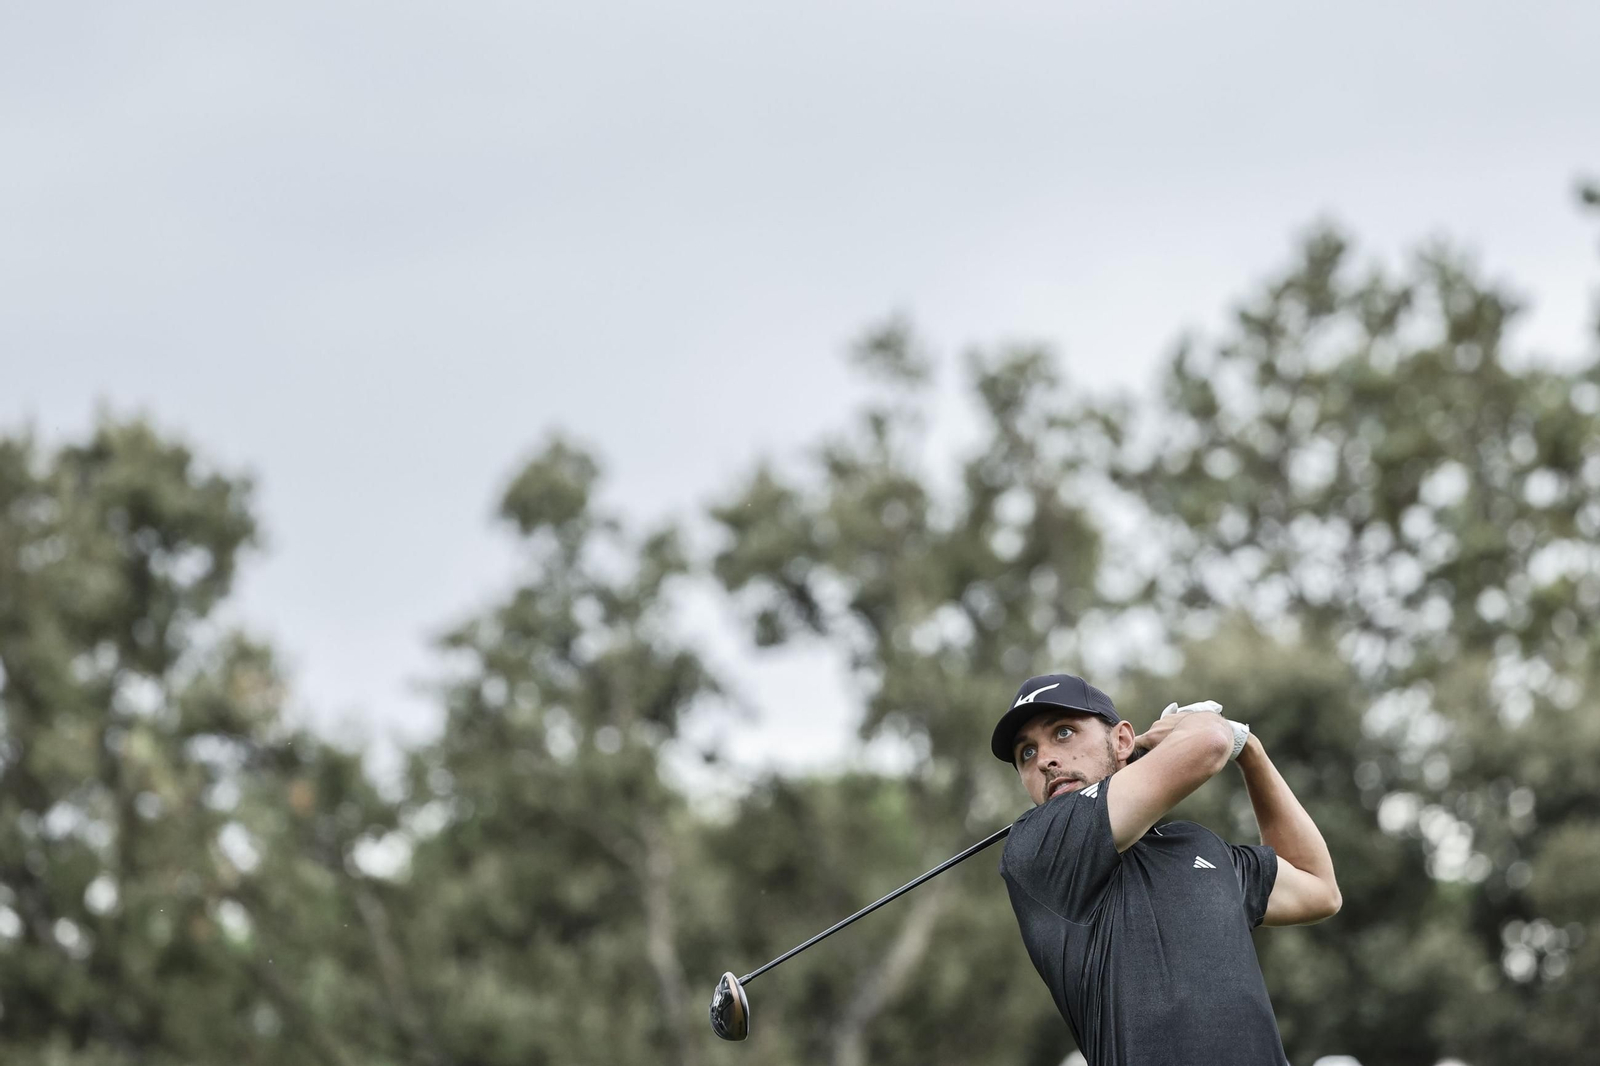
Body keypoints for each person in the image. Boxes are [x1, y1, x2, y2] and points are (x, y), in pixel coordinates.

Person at [990, 673, 1341, 1066]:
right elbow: (1209, 743)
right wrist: (1208, 727)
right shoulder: (1037, 847)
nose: (1045, 760)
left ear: (1122, 740)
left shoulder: (1196, 845)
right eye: (1026, 753)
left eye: (1064, 732)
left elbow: (1318, 888)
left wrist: (1251, 752)